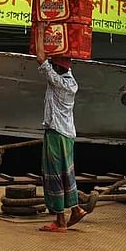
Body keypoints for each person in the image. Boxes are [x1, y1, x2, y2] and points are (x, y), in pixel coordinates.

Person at [33, 21, 89, 232]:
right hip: (68, 133)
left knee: (54, 175)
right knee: (67, 173)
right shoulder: (71, 82)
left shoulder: (57, 81)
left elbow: (40, 59)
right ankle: (75, 210)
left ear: (57, 67)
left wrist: (40, 30)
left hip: (56, 132)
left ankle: (60, 220)